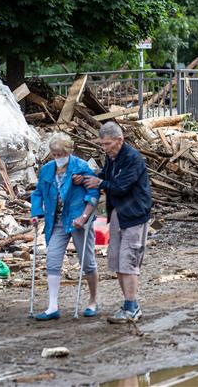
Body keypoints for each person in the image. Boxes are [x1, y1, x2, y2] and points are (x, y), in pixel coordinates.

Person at [78, 122, 152, 323]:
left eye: (107, 144)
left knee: (128, 260)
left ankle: (131, 307)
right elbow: (105, 176)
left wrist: (99, 183)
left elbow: (120, 186)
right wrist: (87, 178)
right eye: (102, 144)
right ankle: (129, 304)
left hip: (134, 214)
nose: (104, 148)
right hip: (118, 213)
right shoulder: (112, 157)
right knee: (118, 261)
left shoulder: (132, 158)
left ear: (120, 140)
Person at [30, 133, 100, 320]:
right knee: (52, 259)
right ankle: (53, 306)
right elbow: (37, 193)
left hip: (78, 221)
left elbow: (94, 192)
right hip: (57, 221)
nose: (57, 157)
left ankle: (93, 301)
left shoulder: (81, 167)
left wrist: (85, 216)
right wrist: (36, 212)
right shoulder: (46, 170)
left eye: (60, 153)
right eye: (54, 154)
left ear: (69, 151)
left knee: (87, 262)